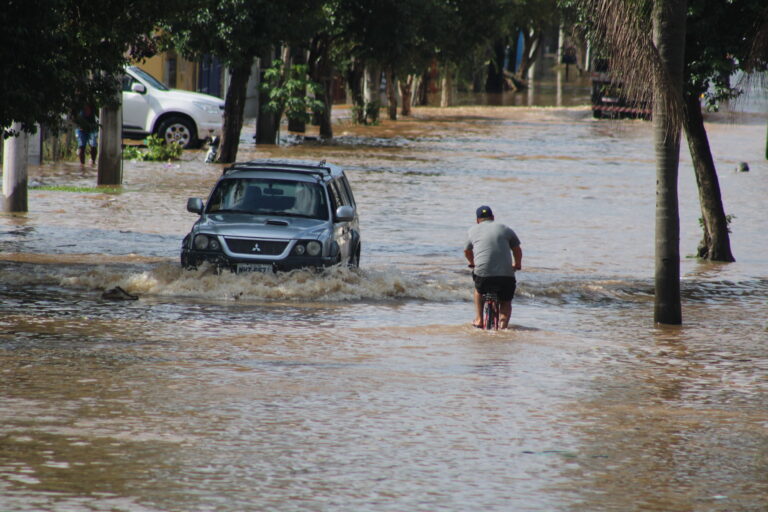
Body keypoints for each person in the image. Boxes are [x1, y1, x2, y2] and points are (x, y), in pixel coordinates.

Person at [463, 205, 523, 329]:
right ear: (493, 217)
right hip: (505, 276)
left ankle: (479, 319)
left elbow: (467, 251)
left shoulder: (472, 230)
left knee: (478, 291)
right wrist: (517, 264)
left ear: (477, 220)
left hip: (483, 275)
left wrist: (473, 262)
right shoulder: (505, 229)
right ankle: (503, 326)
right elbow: (517, 249)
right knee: (505, 301)